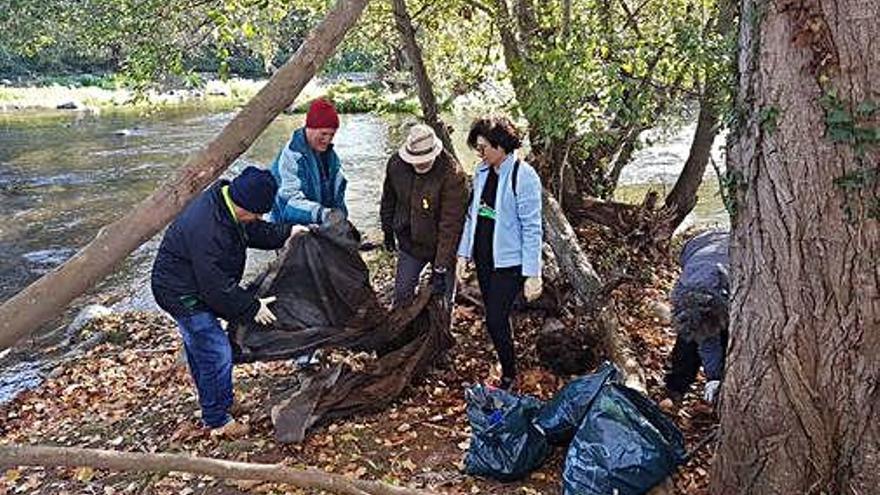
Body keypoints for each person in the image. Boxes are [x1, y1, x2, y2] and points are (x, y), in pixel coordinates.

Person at [151, 166, 301, 436]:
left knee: (202, 350)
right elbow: (216, 288)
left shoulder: (229, 205)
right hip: (181, 294)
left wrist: (288, 232)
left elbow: (255, 232)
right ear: (243, 204)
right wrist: (251, 307)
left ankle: (220, 402)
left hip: (194, 284)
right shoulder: (208, 227)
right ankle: (217, 420)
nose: (258, 217)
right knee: (217, 352)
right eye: (257, 213)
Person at [456, 116, 544, 390]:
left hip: (509, 261)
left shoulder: (523, 176)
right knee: (495, 318)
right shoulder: (482, 173)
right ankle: (505, 360)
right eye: (477, 148)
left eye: (483, 147)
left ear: (501, 146)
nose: (479, 154)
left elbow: (532, 227)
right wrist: (462, 254)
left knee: (495, 317)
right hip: (484, 257)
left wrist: (532, 273)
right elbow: (473, 216)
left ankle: (509, 373)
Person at [380, 124, 468, 307]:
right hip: (410, 242)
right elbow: (388, 199)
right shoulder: (396, 165)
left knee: (443, 301)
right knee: (402, 293)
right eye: (415, 159)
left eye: (425, 159)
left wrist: (441, 267)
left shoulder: (453, 175)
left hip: (443, 245)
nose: (420, 163)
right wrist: (387, 229)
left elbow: (451, 224)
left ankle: (443, 326)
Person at [664, 229, 730, 404]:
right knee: (689, 334)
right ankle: (676, 388)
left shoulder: (732, 286)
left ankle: (680, 388)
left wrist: (713, 377)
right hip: (696, 248)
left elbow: (710, 340)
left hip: (721, 251)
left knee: (724, 335)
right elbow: (706, 339)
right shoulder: (681, 292)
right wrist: (713, 376)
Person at [270, 98, 348, 226]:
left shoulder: (332, 157)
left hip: (318, 224)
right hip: (285, 228)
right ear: (310, 128)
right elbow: (289, 204)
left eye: (332, 135)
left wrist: (342, 221)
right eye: (323, 134)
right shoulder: (291, 156)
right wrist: (323, 214)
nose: (327, 140)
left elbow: (338, 197)